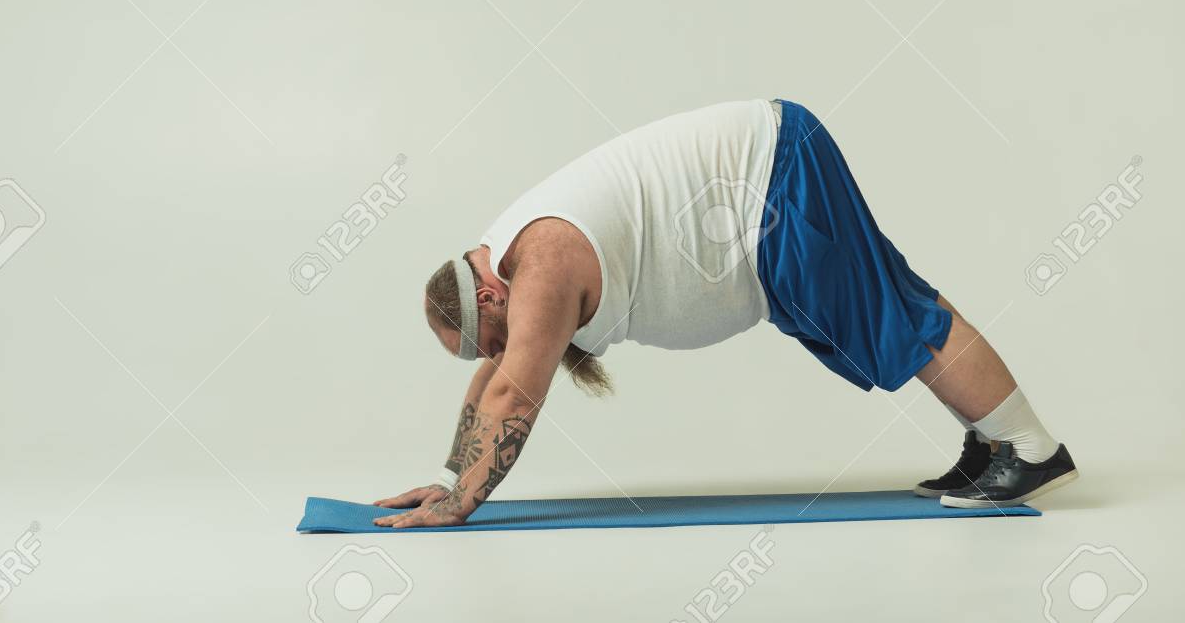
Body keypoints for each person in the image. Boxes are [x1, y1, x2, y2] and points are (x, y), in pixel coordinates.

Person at [373, 99, 1078, 528]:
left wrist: (462, 501)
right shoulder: (506, 257)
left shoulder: (540, 260)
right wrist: (449, 477)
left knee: (893, 316)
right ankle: (994, 442)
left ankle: (1031, 450)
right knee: (897, 306)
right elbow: (498, 376)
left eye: (487, 340)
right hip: (769, 183)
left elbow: (511, 392)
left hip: (773, 178)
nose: (495, 352)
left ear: (489, 298)